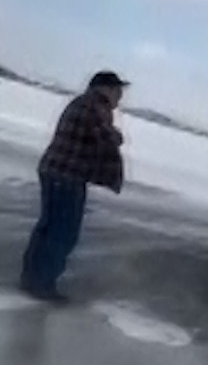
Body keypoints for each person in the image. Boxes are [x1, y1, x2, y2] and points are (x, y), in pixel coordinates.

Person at [19, 70, 127, 303]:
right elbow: (104, 139)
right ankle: (41, 284)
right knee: (62, 233)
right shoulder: (94, 106)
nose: (120, 96)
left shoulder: (84, 103)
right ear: (105, 88)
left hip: (56, 170)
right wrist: (117, 136)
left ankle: (32, 278)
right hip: (66, 175)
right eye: (118, 90)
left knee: (48, 229)